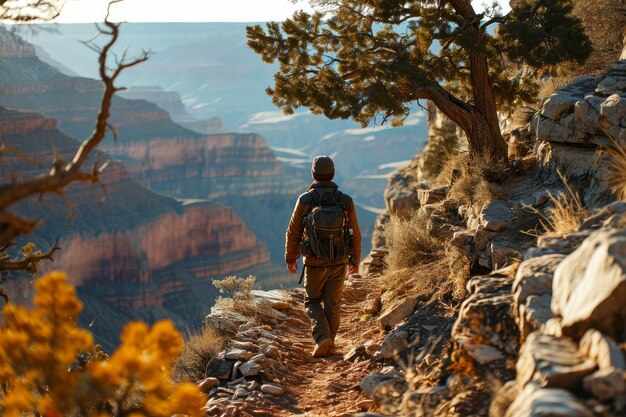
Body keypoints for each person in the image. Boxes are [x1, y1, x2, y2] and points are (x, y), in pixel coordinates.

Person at [285, 155, 361, 358]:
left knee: (311, 302)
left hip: (314, 263)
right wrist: (355, 260)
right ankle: (329, 341)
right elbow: (355, 232)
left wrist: (290, 258)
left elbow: (293, 232)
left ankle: (322, 338)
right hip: (339, 261)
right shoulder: (345, 201)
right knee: (333, 303)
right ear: (333, 174)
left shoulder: (305, 200)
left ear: (313, 174)